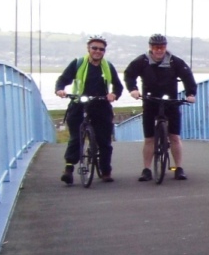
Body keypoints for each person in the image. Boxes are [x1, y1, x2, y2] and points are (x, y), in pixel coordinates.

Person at [123, 33, 198, 182]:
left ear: (166, 47)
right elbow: (129, 74)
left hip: (171, 102)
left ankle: (178, 168)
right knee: (149, 138)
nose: (159, 50)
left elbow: (188, 77)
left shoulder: (175, 61)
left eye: (162, 47)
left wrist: (190, 94)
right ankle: (146, 169)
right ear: (150, 47)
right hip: (150, 101)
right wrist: (133, 89)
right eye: (156, 47)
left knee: (175, 137)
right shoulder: (142, 61)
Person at [54, 35, 124, 184]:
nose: (98, 51)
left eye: (101, 49)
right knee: (76, 137)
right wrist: (60, 90)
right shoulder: (78, 63)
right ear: (88, 49)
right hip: (79, 103)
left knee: (104, 141)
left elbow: (118, 86)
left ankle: (106, 171)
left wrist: (114, 95)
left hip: (101, 105)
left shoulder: (108, 66)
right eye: (94, 48)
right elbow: (63, 79)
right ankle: (68, 169)